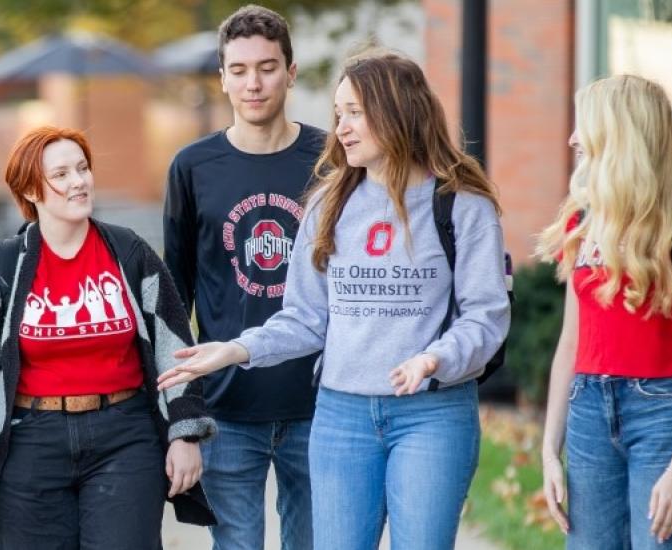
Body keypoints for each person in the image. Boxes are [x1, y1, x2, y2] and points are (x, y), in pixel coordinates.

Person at [157, 50, 511, 549]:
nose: (341, 127)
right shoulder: (328, 203)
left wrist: (435, 357)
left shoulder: (461, 206)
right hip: (341, 417)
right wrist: (236, 349)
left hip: (431, 414)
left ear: (396, 111)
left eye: (355, 113)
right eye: (338, 113)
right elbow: (305, 318)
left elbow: (486, 317)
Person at [0, 126, 216, 549]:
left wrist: (184, 434)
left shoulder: (129, 254)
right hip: (29, 441)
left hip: (124, 438)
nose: (79, 182)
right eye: (62, 174)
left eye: (83, 169)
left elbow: (174, 347)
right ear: (31, 190)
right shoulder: (1, 267)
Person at [536, 74, 672, 549]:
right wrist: (549, 449)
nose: (571, 138)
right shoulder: (582, 219)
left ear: (620, 133)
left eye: (583, 125)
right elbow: (571, 342)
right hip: (588, 411)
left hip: (667, 415)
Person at [162, 6, 322, 548]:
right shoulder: (192, 167)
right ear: (223, 77)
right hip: (225, 409)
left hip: (319, 402)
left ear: (292, 71)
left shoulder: (333, 160)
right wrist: (181, 415)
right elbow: (174, 297)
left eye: (268, 67)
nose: (253, 83)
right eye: (240, 69)